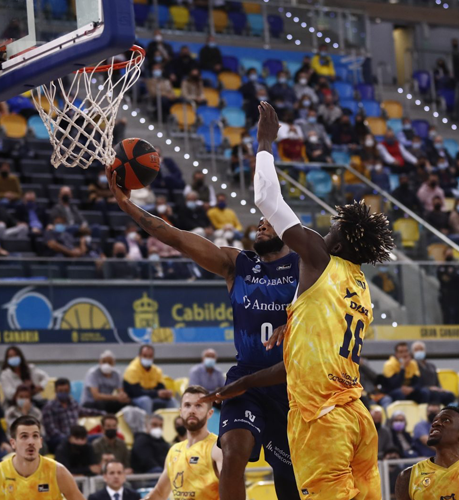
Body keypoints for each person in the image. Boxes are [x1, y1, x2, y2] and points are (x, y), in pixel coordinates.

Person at [200, 102, 393, 498]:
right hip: (357, 416)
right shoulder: (360, 289)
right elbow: (305, 356)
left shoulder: (319, 259)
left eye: (330, 228)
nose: (321, 231)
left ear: (338, 241)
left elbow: (267, 199)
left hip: (324, 419)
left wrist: (266, 140)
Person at [106, 162, 300, 500]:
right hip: (246, 378)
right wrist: (127, 206)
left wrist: (296, 319)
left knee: (289, 477)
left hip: (290, 382)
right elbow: (177, 238)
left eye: (270, 221)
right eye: (260, 221)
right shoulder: (236, 264)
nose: (262, 224)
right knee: (233, 450)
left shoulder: (304, 265)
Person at [0, 416, 86, 500]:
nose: (31, 442)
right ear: (13, 443)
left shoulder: (57, 472)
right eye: (24, 436)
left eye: (35, 436)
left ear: (41, 442)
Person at [143, 387, 223, 500]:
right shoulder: (174, 450)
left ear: (209, 413)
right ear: (181, 412)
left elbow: (230, 493)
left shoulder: (218, 447)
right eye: (187, 405)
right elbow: (160, 493)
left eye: (198, 405)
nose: (192, 410)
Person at [42, 378, 105, 453]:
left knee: (100, 437)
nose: (63, 393)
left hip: (76, 436)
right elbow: (51, 430)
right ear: (55, 391)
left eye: (66, 390)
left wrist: (103, 413)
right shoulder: (49, 407)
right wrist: (69, 438)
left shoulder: (73, 403)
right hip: (58, 439)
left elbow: (85, 411)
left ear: (69, 390)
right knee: (68, 442)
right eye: (60, 391)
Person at [121, 345, 177, 414]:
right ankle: (149, 423)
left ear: (153, 356)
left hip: (153, 397)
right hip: (134, 399)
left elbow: (161, 388)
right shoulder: (132, 369)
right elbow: (135, 392)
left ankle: (173, 423)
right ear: (139, 356)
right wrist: (157, 393)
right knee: (146, 400)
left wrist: (166, 393)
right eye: (145, 355)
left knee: (171, 400)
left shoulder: (157, 370)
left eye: (150, 356)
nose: (147, 358)